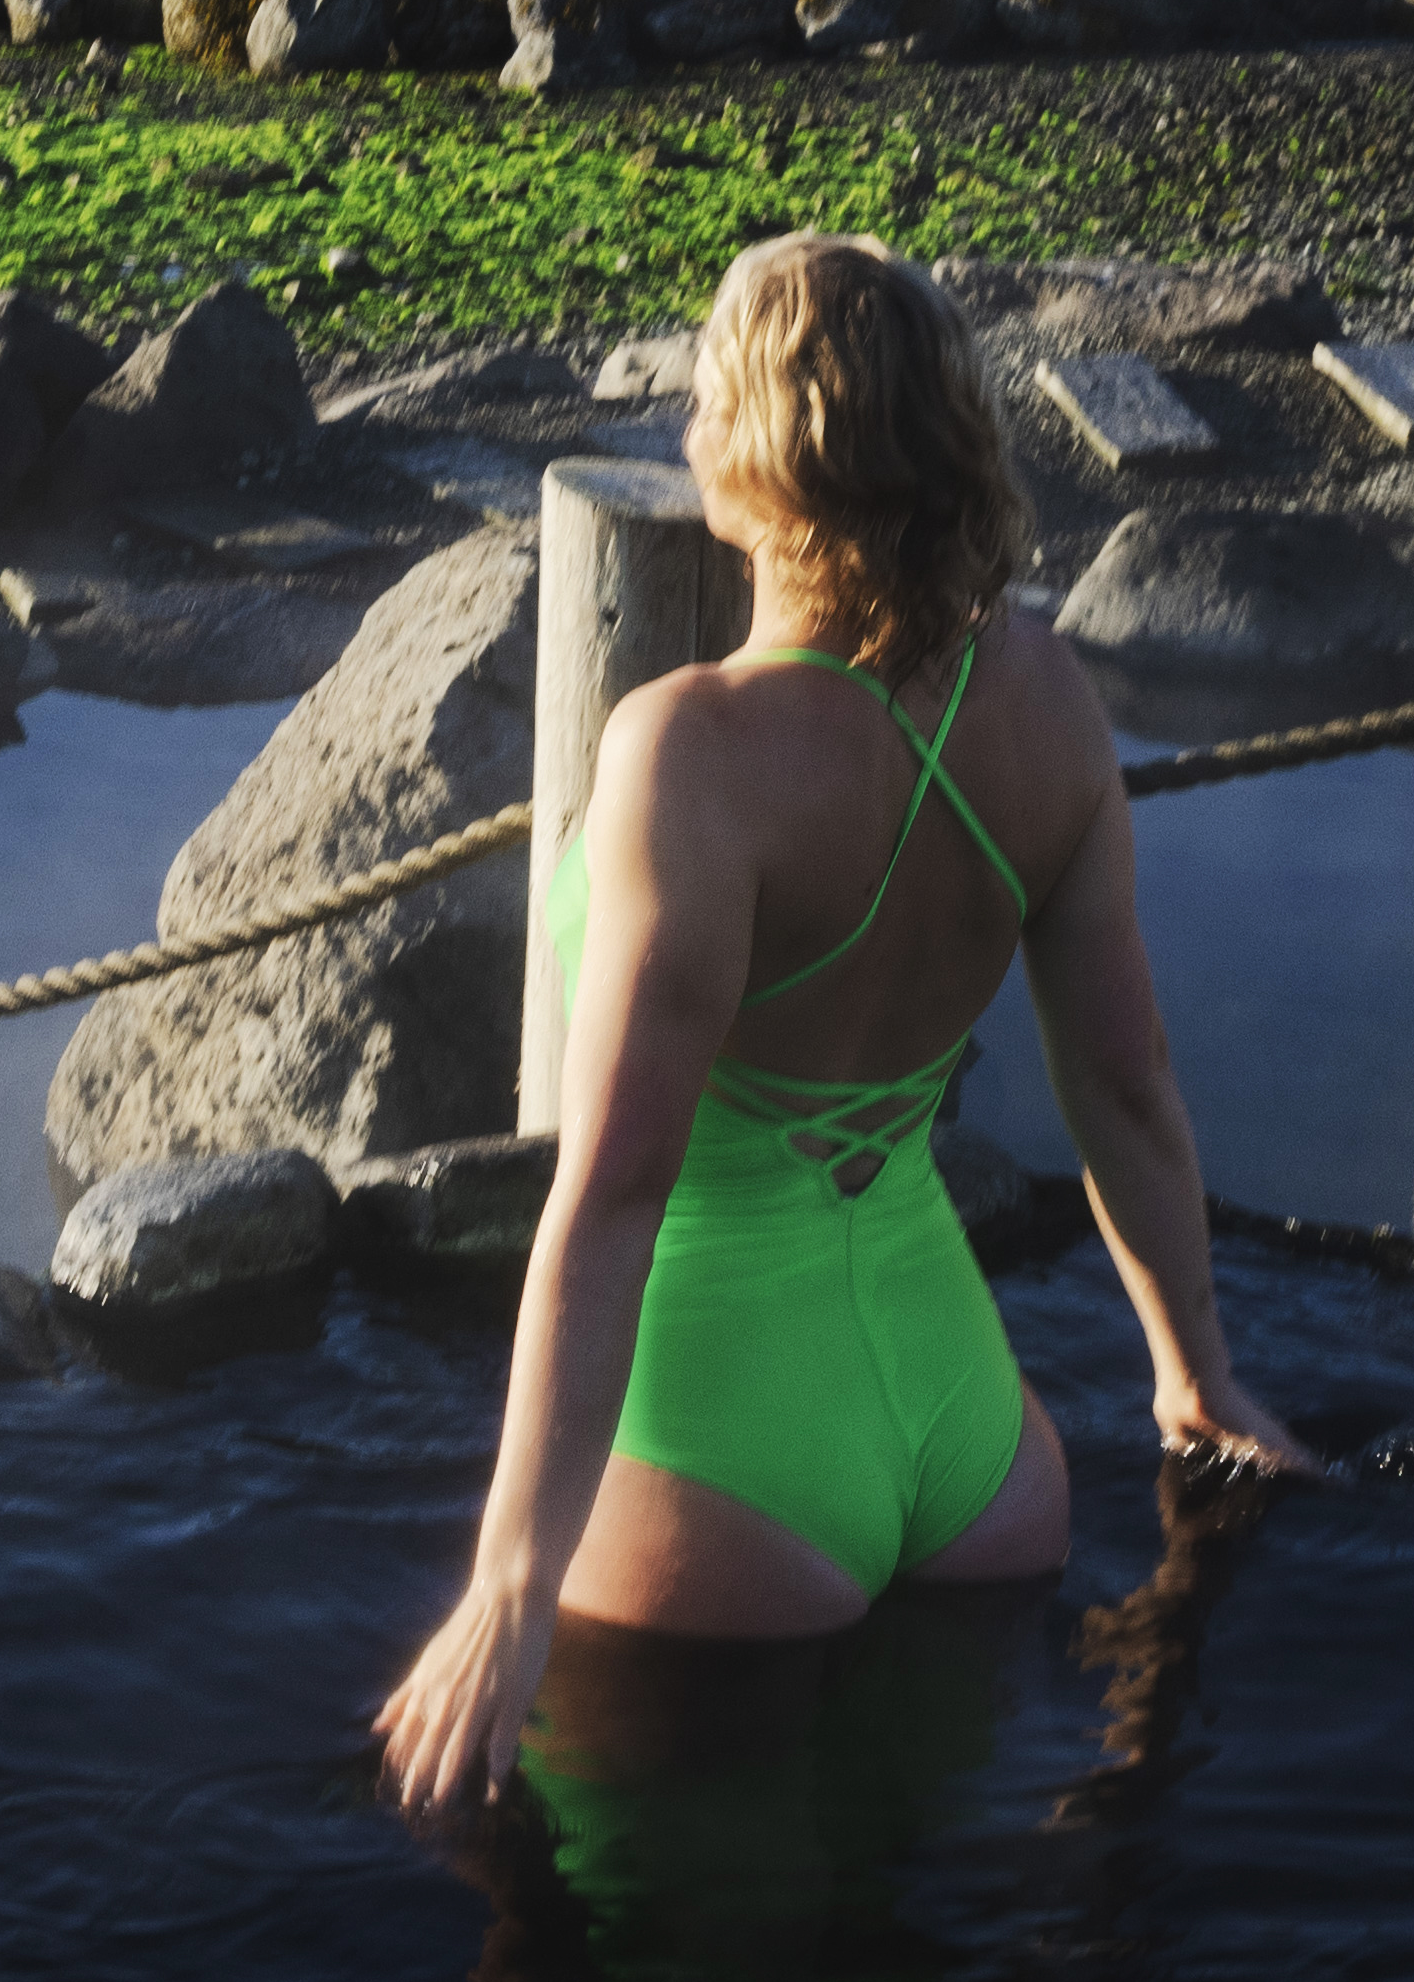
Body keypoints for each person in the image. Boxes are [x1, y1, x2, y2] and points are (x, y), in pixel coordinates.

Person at [377, 233, 1314, 1829]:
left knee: (646, 1971)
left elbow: (615, 1188)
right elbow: (1126, 1084)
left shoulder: (689, 750)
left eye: (703, 397)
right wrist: (1195, 1372)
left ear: (751, 451)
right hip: (975, 1445)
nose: (686, 427)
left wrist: (508, 1587)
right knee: (912, 1912)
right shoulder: (1048, 695)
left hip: (723, 1453)